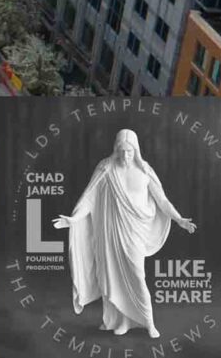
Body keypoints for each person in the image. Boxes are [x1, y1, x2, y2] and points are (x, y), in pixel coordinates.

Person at [52, 127, 197, 337]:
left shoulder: (145, 171)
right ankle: (121, 321)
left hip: (135, 232)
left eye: (129, 151)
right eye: (121, 151)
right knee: (112, 276)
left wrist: (179, 219)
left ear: (136, 150)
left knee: (137, 276)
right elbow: (89, 198)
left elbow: (162, 200)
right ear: (116, 149)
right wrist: (73, 219)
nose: (125, 155)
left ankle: (149, 323)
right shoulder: (106, 169)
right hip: (111, 233)